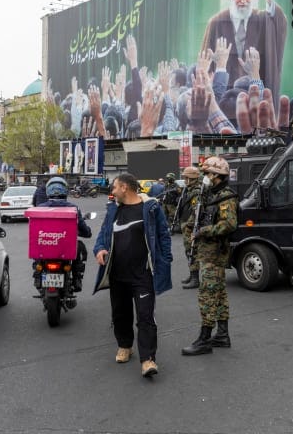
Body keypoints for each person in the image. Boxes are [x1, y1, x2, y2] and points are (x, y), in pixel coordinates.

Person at [93, 173, 172, 378]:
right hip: (118, 274)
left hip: (143, 274)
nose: (112, 191)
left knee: (145, 316)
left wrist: (165, 260)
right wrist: (100, 249)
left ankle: (147, 359)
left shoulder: (151, 208)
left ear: (125, 188)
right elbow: (103, 234)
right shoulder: (113, 210)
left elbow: (163, 235)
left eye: (114, 187)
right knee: (120, 314)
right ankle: (125, 346)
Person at [201, 0, 287, 105]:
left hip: (256, 97)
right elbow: (204, 62)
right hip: (225, 98)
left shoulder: (262, 19)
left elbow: (279, 22)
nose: (243, 1)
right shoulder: (216, 22)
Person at [181, 156, 239, 356]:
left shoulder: (226, 196)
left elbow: (230, 224)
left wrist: (205, 231)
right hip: (207, 252)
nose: (205, 177)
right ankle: (222, 335)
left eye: (207, 173)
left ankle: (204, 339)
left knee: (207, 295)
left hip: (214, 254)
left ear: (216, 175)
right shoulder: (211, 194)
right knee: (219, 294)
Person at [37, 176, 92, 292]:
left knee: (37, 257)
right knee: (79, 251)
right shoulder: (73, 208)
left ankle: (37, 275)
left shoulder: (40, 208)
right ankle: (77, 278)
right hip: (67, 247)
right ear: (65, 190)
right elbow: (82, 226)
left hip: (45, 246)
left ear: (48, 191)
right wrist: (87, 232)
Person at [178, 165, 202, 289]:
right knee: (188, 251)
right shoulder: (188, 189)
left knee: (192, 252)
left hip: (190, 226)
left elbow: (196, 212)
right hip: (186, 223)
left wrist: (189, 225)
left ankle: (195, 278)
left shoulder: (197, 191)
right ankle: (192, 274)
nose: (185, 180)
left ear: (192, 178)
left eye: (186, 178)